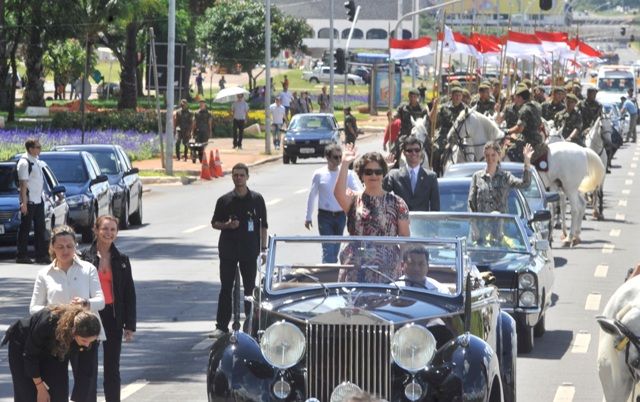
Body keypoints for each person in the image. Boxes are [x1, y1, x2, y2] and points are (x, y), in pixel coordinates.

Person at [30, 225, 105, 402]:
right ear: (52, 248)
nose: (65, 251)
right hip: (56, 336)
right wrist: (56, 311)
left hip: (85, 333)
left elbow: (100, 301)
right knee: (57, 388)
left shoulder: (88, 269)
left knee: (85, 388)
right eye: (60, 247)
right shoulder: (44, 274)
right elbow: (34, 308)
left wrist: (85, 303)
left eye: (69, 246)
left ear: (75, 246)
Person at [80, 216, 137, 402]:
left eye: (113, 230)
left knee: (112, 367)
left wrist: (130, 325)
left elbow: (129, 294)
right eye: (105, 229)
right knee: (89, 366)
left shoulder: (122, 260)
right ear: (96, 230)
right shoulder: (83, 259)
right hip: (91, 316)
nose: (109, 233)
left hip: (113, 316)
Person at [334, 148, 410, 282]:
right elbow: (338, 193)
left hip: (388, 271)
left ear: (383, 174)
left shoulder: (398, 203)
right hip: (356, 269)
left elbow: (405, 238)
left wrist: (405, 266)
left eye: (378, 171)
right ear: (361, 175)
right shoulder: (353, 200)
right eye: (368, 172)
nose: (373, 175)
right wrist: (345, 164)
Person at [210, 163, 268, 338]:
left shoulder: (257, 199)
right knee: (226, 287)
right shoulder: (224, 200)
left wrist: (263, 249)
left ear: (247, 177)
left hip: (249, 251)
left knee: (250, 289)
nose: (238, 178)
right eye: (235, 175)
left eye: (241, 175)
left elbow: (263, 226)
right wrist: (227, 225)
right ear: (232, 177)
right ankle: (221, 326)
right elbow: (214, 223)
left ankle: (251, 325)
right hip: (229, 250)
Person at [3, 305, 101, 402]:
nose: (87, 345)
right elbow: (30, 356)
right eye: (84, 341)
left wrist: (80, 398)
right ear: (73, 331)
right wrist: (40, 388)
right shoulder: (48, 321)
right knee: (28, 394)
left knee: (59, 393)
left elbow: (86, 372)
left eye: (91, 341)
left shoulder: (89, 338)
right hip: (24, 347)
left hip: (54, 353)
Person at [305, 144, 363, 263]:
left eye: (340, 157)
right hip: (325, 217)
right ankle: (327, 276)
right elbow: (312, 195)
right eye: (335, 157)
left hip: (341, 216)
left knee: (335, 250)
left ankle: (331, 273)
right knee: (328, 250)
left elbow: (359, 192)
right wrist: (308, 217)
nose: (338, 160)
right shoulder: (319, 174)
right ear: (327, 157)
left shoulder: (347, 173)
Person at [468, 142, 533, 213]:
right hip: (481, 222)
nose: (490, 158)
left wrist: (527, 162)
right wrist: (473, 221)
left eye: (493, 155)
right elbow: (471, 202)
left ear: (499, 156)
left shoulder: (505, 177)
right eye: (487, 155)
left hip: (500, 222)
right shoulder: (477, 177)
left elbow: (525, 183)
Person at [383, 136, 440, 211]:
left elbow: (435, 208)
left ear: (421, 152)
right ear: (404, 153)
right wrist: (385, 169)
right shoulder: (394, 175)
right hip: (400, 221)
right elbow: (381, 192)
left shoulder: (431, 177)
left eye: (417, 150)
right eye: (409, 150)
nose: (413, 153)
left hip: (422, 222)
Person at [16, 138, 49, 265]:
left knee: (40, 228)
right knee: (25, 228)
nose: (40, 149)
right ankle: (22, 255)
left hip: (38, 199)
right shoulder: (24, 163)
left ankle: (41, 255)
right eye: (37, 147)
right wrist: (23, 203)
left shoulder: (36, 161)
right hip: (29, 200)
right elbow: (23, 184)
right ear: (31, 149)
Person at [504, 85, 544, 163]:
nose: (514, 99)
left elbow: (519, 128)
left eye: (515, 97)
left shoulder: (524, 109)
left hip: (528, 141)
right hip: (538, 139)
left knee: (510, 151)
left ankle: (522, 171)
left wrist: (507, 131)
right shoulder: (535, 107)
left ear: (520, 98)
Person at [433, 86, 465, 174]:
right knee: (436, 152)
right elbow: (436, 122)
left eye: (459, 95)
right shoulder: (444, 108)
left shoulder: (466, 109)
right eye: (456, 95)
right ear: (452, 96)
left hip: (460, 137)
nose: (458, 97)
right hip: (445, 136)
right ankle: (436, 173)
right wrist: (434, 108)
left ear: (462, 96)